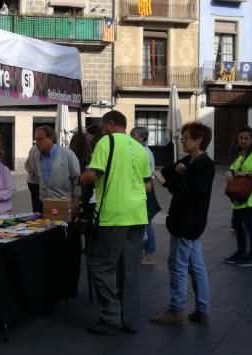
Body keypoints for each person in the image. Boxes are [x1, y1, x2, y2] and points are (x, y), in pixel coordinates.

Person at [79, 111, 152, 336]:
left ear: (110, 125)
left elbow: (93, 175)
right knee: (129, 269)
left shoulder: (106, 142)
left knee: (101, 265)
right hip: (138, 215)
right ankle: (126, 319)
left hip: (113, 214)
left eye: (102, 126)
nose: (101, 130)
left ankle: (110, 317)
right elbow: (148, 186)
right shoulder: (140, 148)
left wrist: (81, 178)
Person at [150, 122, 216, 326]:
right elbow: (169, 170)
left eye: (186, 137)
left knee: (178, 265)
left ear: (199, 140)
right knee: (196, 266)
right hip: (187, 222)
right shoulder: (189, 161)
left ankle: (176, 310)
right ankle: (202, 310)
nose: (182, 141)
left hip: (187, 222)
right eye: (182, 137)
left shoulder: (205, 165)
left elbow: (190, 192)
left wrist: (169, 182)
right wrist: (179, 169)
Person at [30, 125, 83, 297]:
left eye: (40, 139)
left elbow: (77, 179)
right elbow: (33, 171)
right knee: (48, 245)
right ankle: (50, 282)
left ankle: (64, 285)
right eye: (35, 139)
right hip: (44, 204)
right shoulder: (37, 155)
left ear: (50, 138)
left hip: (64, 204)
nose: (37, 143)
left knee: (63, 245)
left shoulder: (67, 154)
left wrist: (76, 201)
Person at [224, 127, 252, 268]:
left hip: (251, 196)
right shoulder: (241, 154)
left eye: (246, 138)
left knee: (250, 226)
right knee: (237, 225)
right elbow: (233, 168)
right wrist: (230, 173)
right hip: (239, 196)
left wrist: (244, 174)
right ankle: (241, 253)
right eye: (240, 138)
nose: (243, 140)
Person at [130, 126, 160, 264]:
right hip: (144, 187)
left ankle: (149, 253)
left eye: (134, 135)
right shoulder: (143, 150)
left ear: (141, 138)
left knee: (146, 221)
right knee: (144, 221)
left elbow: (146, 175)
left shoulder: (143, 152)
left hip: (144, 188)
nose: (131, 137)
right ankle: (145, 251)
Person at [23, 138, 42, 213]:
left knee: (35, 204)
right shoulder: (41, 149)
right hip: (38, 182)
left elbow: (26, 163)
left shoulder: (32, 148)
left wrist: (30, 171)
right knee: (41, 206)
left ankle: (35, 220)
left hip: (31, 181)